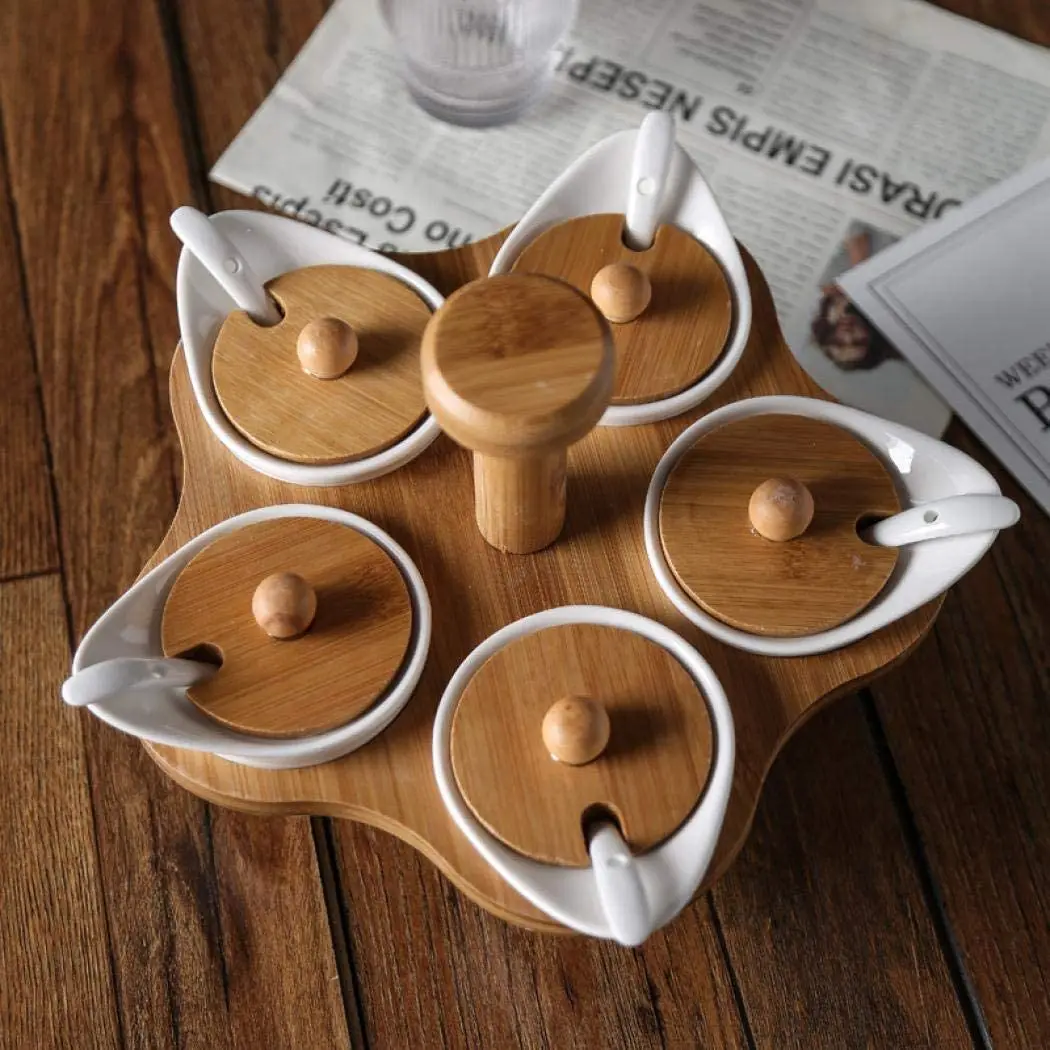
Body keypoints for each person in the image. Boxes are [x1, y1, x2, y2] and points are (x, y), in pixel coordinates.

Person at [810, 229, 900, 371]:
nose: (848, 334)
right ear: (873, 338)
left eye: (837, 341)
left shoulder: (827, 281)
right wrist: (858, 288)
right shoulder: (893, 297)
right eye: (859, 341)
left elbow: (854, 229)